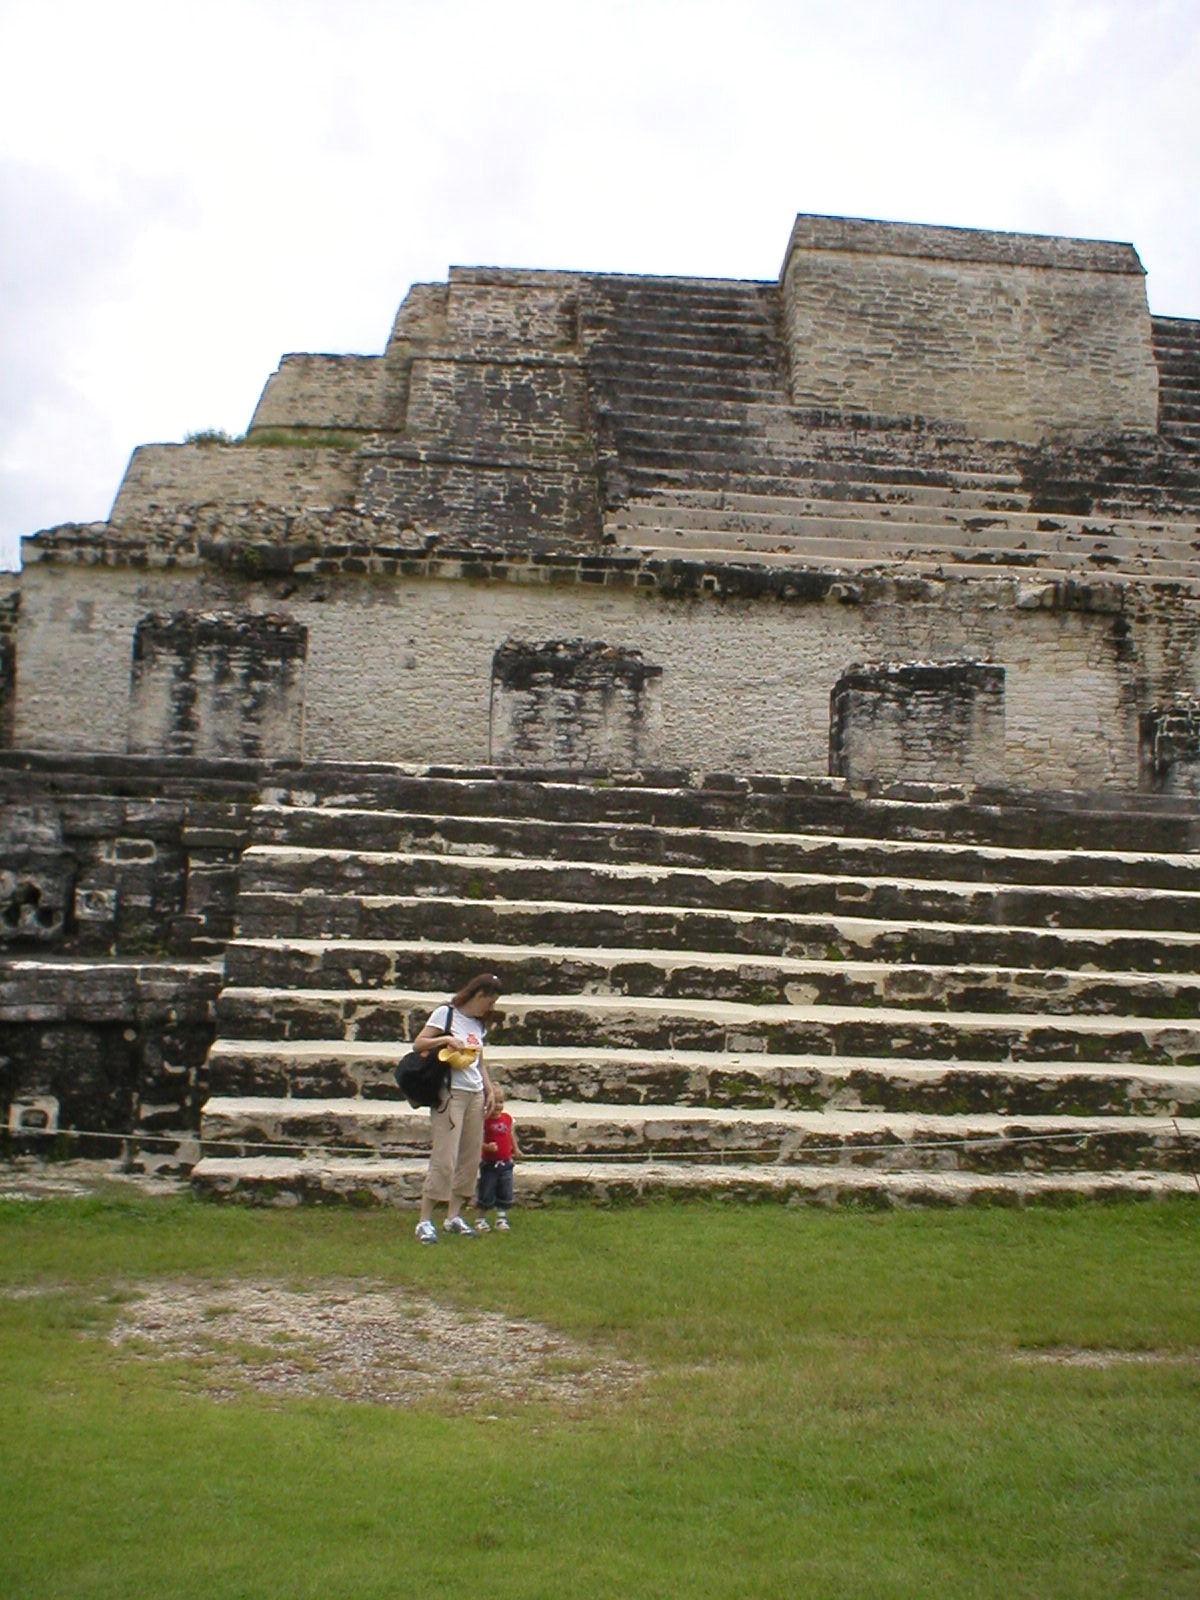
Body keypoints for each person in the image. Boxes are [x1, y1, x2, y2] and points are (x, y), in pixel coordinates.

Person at [411, 973, 502, 1244]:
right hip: (451, 1092)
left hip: (474, 1092)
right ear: (479, 994)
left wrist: (488, 1089)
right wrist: (445, 1041)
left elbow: (479, 1060)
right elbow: (419, 1043)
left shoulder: (478, 1024)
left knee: (469, 1157)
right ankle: (425, 1220)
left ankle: (454, 1215)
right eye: (490, 1001)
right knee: (445, 1156)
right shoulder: (445, 1014)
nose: (491, 1007)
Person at [474, 1087, 521, 1233]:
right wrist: (486, 1147)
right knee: (486, 1190)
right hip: (489, 1164)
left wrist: (516, 1148)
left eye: (501, 1102)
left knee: (504, 1190)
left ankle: (501, 1217)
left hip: (505, 1163)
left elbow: (510, 1135)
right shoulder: (483, 1121)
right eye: (494, 1102)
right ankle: (480, 1218)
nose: (498, 1106)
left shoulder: (507, 1119)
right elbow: (476, 1141)